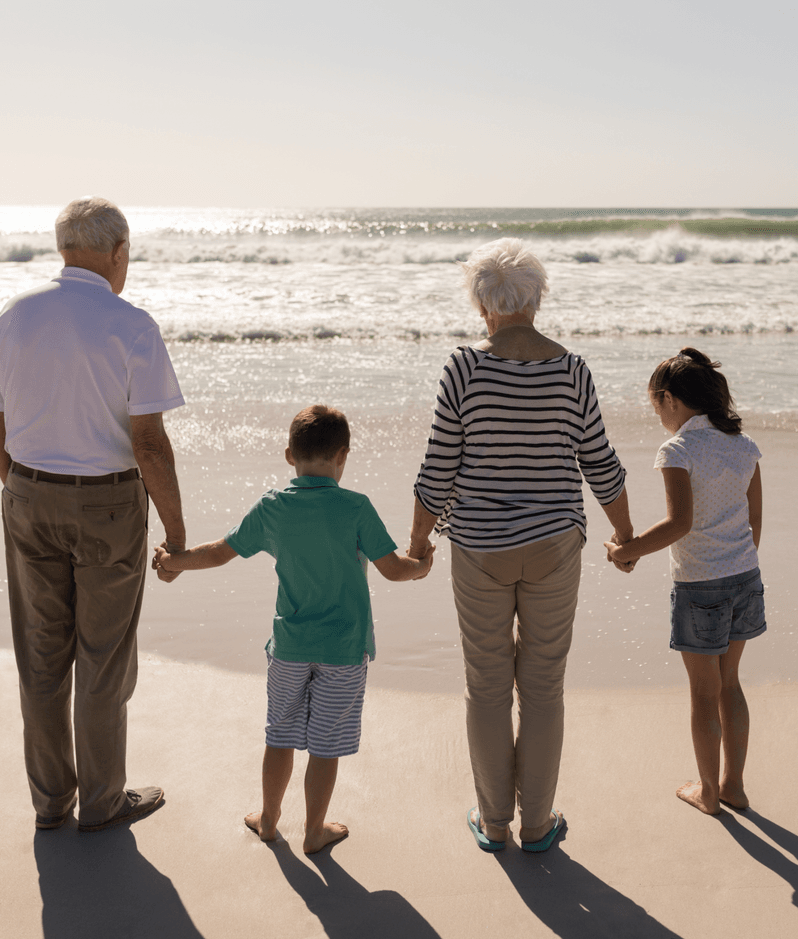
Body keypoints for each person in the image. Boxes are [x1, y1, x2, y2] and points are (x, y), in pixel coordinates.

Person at [409, 238, 633, 853]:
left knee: (486, 683)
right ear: (536, 298)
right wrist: (627, 534)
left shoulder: (464, 367)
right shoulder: (571, 369)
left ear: (484, 304)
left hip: (479, 544)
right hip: (555, 543)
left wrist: (418, 542)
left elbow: (438, 468)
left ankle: (495, 823)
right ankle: (536, 824)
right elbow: (600, 463)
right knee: (542, 684)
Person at [154, 404, 434, 853]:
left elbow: (221, 552)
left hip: (288, 646)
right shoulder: (356, 507)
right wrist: (422, 564)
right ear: (343, 456)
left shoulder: (273, 508)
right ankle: (314, 831)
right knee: (325, 746)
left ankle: (268, 820)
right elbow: (394, 570)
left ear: (289, 455)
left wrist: (173, 561)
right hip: (343, 650)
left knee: (279, 735)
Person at [0, 196, 187, 832]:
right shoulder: (131, 324)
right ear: (118, 252)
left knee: (41, 655)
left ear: (61, 249)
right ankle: (103, 802)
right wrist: (177, 531)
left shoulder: (15, 317)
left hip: (26, 493)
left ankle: (52, 804)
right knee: (103, 657)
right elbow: (149, 443)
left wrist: (20, 483)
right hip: (107, 503)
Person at [605, 348, 765, 815]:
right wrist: (737, 559)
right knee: (731, 683)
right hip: (745, 577)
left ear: (671, 400)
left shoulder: (678, 449)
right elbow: (754, 521)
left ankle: (709, 792)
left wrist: (625, 552)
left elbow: (679, 523)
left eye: (656, 405)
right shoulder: (744, 445)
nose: (657, 415)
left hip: (701, 587)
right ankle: (734, 785)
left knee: (703, 693)